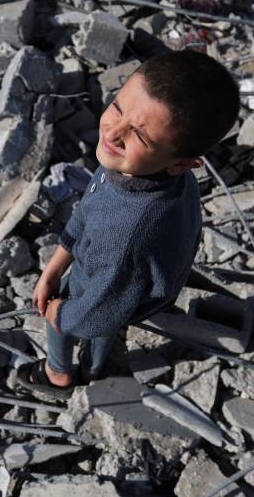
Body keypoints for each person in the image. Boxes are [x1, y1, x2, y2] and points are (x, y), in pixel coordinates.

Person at [17, 51, 240, 395]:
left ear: (182, 163)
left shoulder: (127, 236)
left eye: (140, 136)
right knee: (110, 323)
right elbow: (86, 212)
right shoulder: (137, 169)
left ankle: (59, 374)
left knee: (74, 321)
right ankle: (93, 368)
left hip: (107, 286)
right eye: (118, 108)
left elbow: (99, 313)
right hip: (129, 291)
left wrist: (62, 314)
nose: (114, 133)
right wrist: (53, 270)